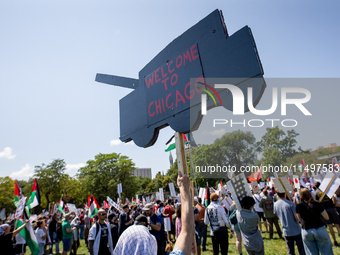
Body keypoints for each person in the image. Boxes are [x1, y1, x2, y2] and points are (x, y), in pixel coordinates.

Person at [296, 188, 333, 255]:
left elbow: (299, 219)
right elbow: (326, 217)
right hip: (319, 229)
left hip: (306, 231)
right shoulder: (316, 204)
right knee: (327, 252)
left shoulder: (298, 206)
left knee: (311, 253)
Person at [314, 181, 340, 246]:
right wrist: (334, 204)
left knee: (330, 226)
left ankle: (335, 241)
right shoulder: (327, 190)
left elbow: (317, 203)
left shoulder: (316, 193)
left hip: (324, 210)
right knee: (337, 225)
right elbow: (333, 198)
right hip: (332, 208)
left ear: (316, 187)